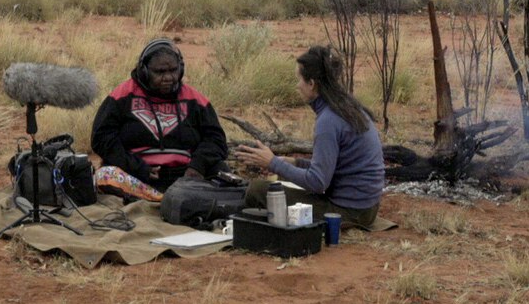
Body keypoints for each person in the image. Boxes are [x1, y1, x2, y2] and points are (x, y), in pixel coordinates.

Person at [235, 45, 385, 229]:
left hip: (349, 212)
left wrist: (273, 163)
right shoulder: (347, 107)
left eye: (299, 79)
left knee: (258, 190)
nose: (297, 85)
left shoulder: (328, 120)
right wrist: (292, 163)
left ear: (312, 83)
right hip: (367, 206)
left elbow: (318, 182)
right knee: (280, 182)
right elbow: (335, 167)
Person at [91, 38, 228, 202]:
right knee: (105, 176)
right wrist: (137, 167)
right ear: (144, 71)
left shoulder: (195, 100)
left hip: (187, 179)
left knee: (223, 173)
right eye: (160, 72)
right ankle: (172, 201)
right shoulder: (121, 96)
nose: (169, 77)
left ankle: (167, 200)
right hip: (138, 177)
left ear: (181, 69)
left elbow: (216, 140)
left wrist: (196, 167)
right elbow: (101, 138)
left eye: (173, 70)